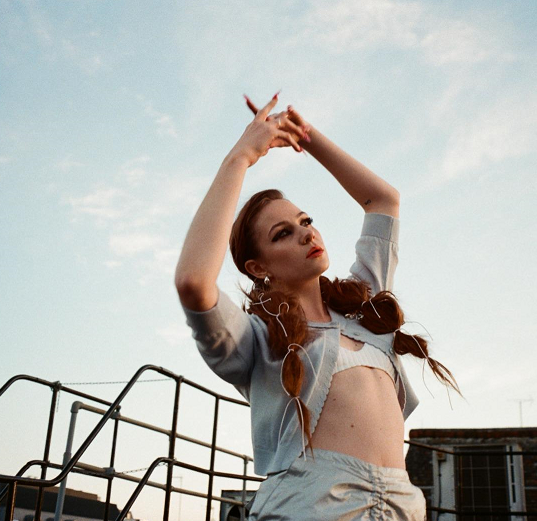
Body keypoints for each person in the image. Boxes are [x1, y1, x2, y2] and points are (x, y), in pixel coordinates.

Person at [174, 93, 458, 520]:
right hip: (312, 506)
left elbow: (383, 200)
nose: (307, 234)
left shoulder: (366, 307)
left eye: (306, 221)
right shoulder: (258, 339)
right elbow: (194, 282)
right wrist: (241, 157)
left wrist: (305, 135)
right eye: (283, 234)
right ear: (258, 267)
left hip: (401, 505)